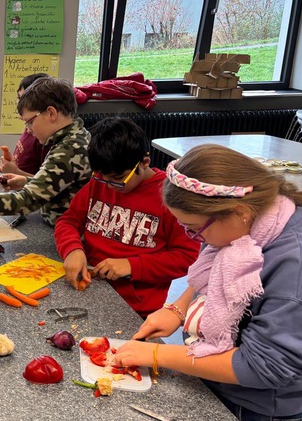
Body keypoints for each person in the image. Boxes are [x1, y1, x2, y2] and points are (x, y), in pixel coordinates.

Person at [114, 145, 302, 421]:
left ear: (238, 211)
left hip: (263, 415)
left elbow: (264, 366)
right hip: (226, 387)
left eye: (194, 228)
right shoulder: (253, 221)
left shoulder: (298, 266)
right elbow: (217, 261)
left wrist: (156, 355)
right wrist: (178, 308)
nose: (194, 238)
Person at [54, 117, 200, 318]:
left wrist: (132, 266)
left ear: (144, 163)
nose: (109, 185)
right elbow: (68, 221)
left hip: (134, 307)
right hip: (89, 288)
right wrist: (72, 250)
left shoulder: (170, 199)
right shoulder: (100, 182)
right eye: (101, 176)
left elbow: (187, 258)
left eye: (118, 179)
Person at [0, 77, 91, 227]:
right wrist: (27, 181)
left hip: (65, 230)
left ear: (51, 113)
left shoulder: (69, 150)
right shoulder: (74, 137)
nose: (28, 129)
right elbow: (59, 184)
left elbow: (25, 202)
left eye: (30, 122)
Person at [0, 73, 50, 179]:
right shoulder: (30, 128)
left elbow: (43, 182)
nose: (19, 104)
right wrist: (0, 168)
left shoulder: (42, 136)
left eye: (23, 99)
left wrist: (15, 171)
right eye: (19, 97)